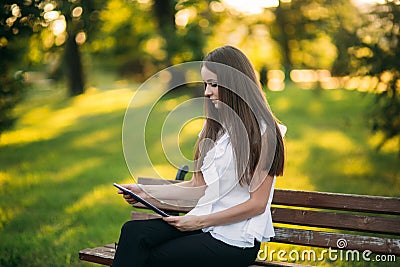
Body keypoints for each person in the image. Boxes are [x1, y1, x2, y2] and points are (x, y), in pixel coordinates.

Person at [112, 45, 286, 267]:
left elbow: (257, 204)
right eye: (205, 84)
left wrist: (197, 221)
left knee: (155, 258)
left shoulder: (266, 134)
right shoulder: (213, 128)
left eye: (213, 84)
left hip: (233, 240)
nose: (206, 91)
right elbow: (197, 187)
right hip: (202, 226)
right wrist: (145, 192)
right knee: (134, 232)